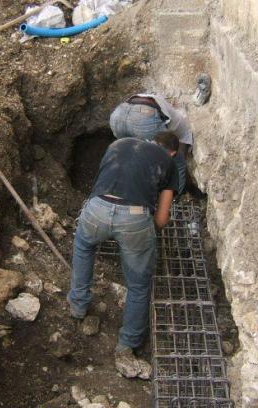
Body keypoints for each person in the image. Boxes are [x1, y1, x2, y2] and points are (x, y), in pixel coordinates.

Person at [68, 132, 182, 380]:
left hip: (96, 208)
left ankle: (78, 306)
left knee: (84, 246)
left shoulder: (119, 144)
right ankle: (127, 345)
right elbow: (161, 220)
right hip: (134, 215)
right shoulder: (169, 163)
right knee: (139, 286)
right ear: (172, 152)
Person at [109, 93, 193, 196]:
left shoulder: (169, 115)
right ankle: (176, 195)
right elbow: (177, 149)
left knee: (128, 151)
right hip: (143, 119)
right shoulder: (183, 129)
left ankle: (120, 187)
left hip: (118, 115)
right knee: (178, 161)